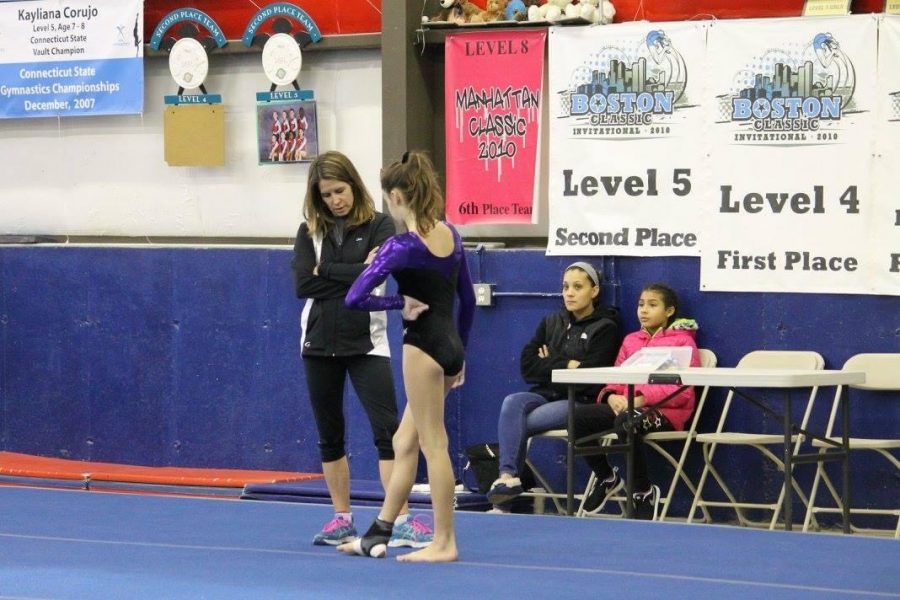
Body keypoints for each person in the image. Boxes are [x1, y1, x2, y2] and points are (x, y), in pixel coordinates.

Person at [339, 150, 475, 562]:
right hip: (449, 344)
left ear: (397, 198)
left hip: (422, 347)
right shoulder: (451, 234)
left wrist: (400, 303)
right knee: (404, 439)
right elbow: (466, 300)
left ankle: (444, 541)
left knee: (435, 444)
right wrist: (461, 354)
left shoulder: (400, 247)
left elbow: (354, 297)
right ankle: (378, 531)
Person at [292, 151, 431, 550]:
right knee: (329, 435)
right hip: (318, 343)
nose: (336, 200)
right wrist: (354, 274)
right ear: (317, 198)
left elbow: (376, 276)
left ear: (354, 185)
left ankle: (400, 519)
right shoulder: (309, 232)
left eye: (340, 190)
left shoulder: (380, 226)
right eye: (327, 195)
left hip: (367, 343)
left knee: (388, 432)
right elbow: (303, 285)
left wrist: (328, 272)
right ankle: (342, 518)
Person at [485, 263, 621, 509]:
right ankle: (508, 476)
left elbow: (591, 377)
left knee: (519, 423)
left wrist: (549, 362)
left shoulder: (605, 328)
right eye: (566, 287)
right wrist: (566, 364)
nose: (569, 293)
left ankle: (509, 481)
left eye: (578, 287)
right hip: (545, 396)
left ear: (594, 291)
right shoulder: (551, 321)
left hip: (579, 402)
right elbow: (527, 366)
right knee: (512, 402)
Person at [572, 283, 700, 520]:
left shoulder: (682, 342)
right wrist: (611, 396)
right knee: (577, 417)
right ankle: (606, 477)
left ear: (669, 311)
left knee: (626, 421)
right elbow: (615, 377)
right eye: (641, 304)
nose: (644, 310)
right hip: (627, 407)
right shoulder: (631, 341)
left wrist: (640, 399)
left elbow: (682, 391)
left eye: (652, 305)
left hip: (666, 413)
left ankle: (643, 492)